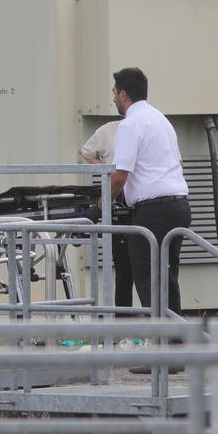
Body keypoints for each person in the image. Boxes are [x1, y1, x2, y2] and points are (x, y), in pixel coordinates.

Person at [108, 67, 190, 315]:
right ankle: (176, 344)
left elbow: (121, 174)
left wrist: (101, 204)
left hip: (153, 212)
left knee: (147, 278)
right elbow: (179, 164)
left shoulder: (131, 124)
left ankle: (162, 343)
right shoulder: (160, 119)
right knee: (167, 279)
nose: (112, 98)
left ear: (123, 94)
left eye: (113, 93)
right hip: (179, 207)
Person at [80, 119, 133, 312]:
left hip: (134, 201)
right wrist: (107, 175)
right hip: (120, 199)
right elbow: (87, 151)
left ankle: (144, 325)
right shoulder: (109, 130)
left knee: (135, 270)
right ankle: (126, 324)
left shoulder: (137, 127)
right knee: (124, 270)